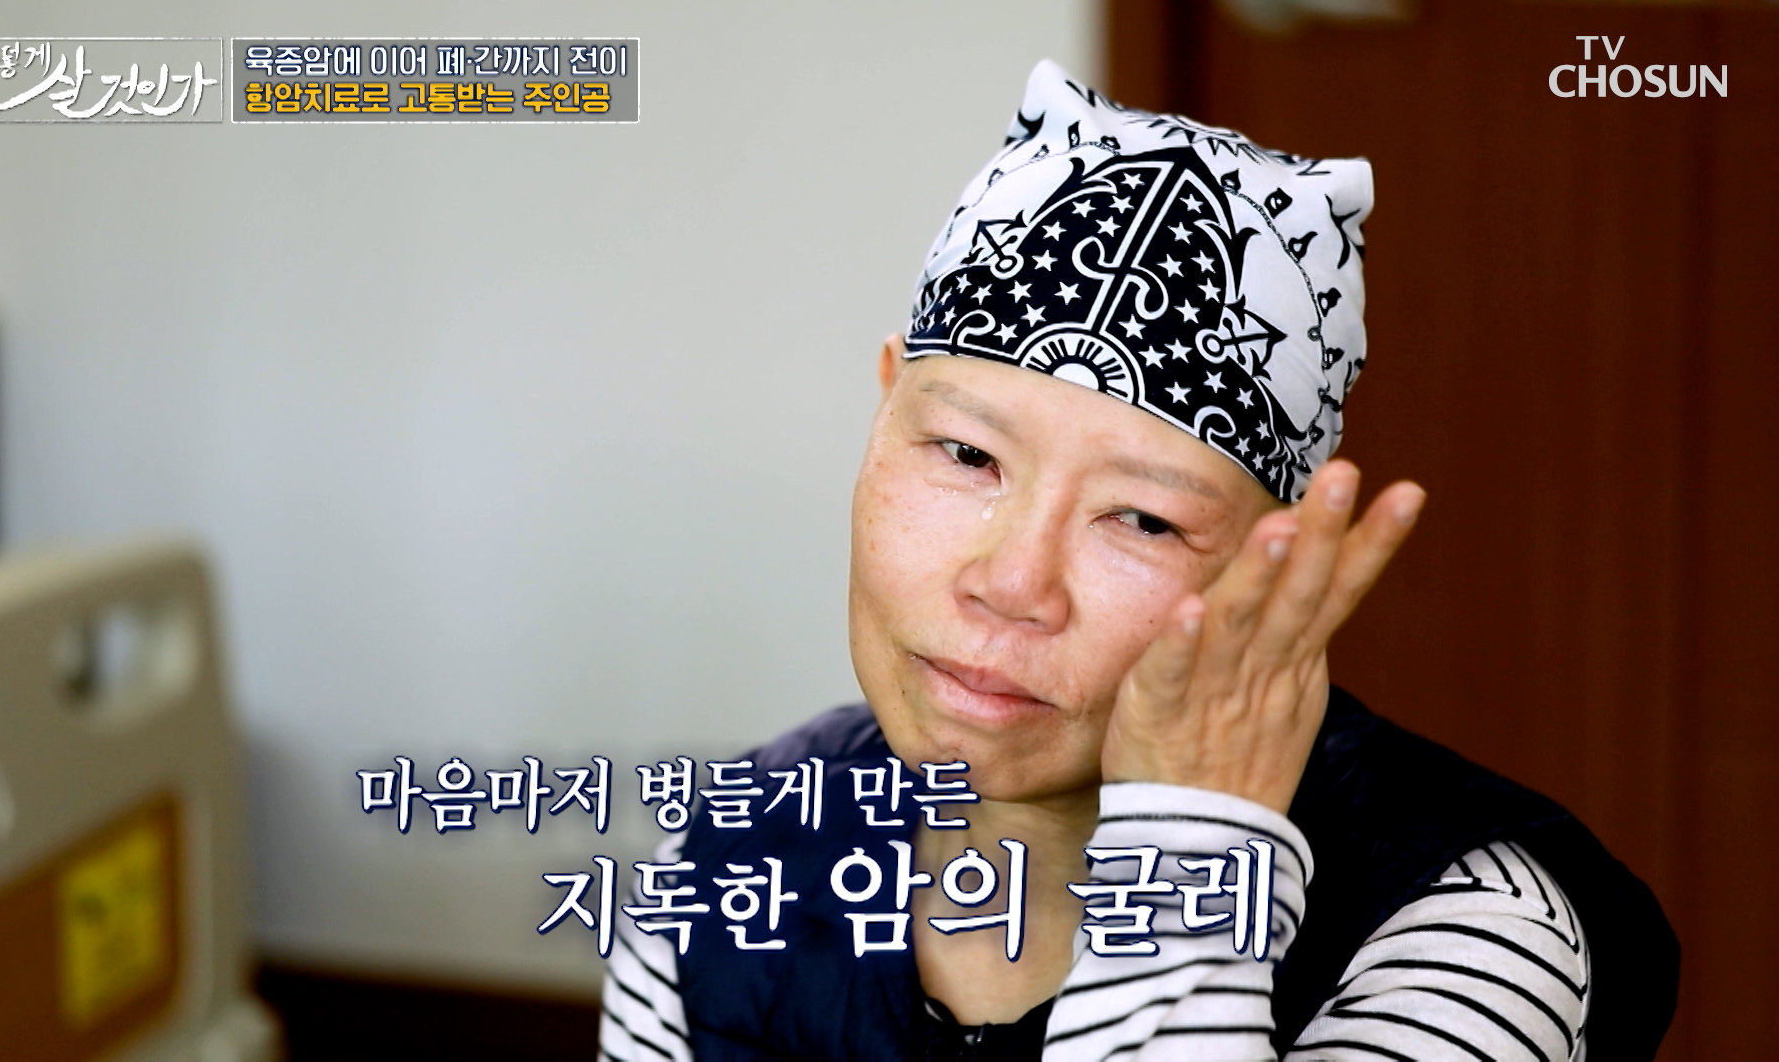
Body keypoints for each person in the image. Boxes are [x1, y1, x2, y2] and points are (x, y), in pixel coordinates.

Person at [596, 60, 1677, 1061]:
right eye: (966, 455)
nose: (1011, 585)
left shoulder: (1464, 930)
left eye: (1145, 521)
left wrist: (1195, 848)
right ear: (883, 411)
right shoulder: (731, 855)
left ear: (1278, 562)